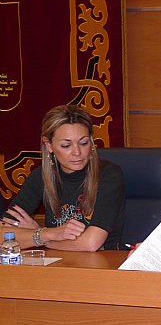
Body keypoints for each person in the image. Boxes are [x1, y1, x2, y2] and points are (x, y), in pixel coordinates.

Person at [1, 105, 125, 251]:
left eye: (84, 143)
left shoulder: (109, 174)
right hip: (59, 260)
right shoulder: (40, 176)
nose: (77, 152)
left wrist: (41, 238)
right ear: (49, 145)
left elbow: (91, 243)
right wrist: (46, 234)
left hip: (103, 261)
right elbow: (3, 234)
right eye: (66, 145)